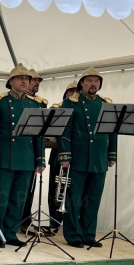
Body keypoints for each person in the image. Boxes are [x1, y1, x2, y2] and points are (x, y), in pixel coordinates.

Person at [0, 64, 47, 248]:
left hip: (26, 158)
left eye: (27, 78)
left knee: (18, 199)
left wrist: (39, 158)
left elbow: (38, 135)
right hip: (5, 157)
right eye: (20, 78)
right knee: (1, 199)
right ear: (10, 81)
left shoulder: (34, 104)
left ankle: (10, 233)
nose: (25, 81)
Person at [58, 66, 117, 248]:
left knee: (93, 200)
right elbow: (64, 130)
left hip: (99, 159)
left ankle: (88, 234)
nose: (93, 84)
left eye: (96, 81)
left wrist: (112, 153)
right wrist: (65, 155)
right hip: (77, 158)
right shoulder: (71, 102)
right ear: (82, 83)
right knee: (74, 199)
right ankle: (73, 235)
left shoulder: (105, 103)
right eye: (89, 80)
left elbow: (112, 131)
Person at [45, 81, 78, 234]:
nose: (73, 94)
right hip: (58, 155)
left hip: (77, 158)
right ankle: (54, 220)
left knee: (73, 190)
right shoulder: (57, 108)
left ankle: (72, 222)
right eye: (70, 91)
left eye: (75, 91)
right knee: (56, 189)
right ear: (65, 94)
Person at [20, 69, 44, 230]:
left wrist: (40, 158)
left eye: (38, 81)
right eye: (33, 80)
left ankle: (25, 221)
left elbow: (39, 135)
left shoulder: (40, 104)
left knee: (29, 191)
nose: (36, 83)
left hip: (30, 154)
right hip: (15, 153)